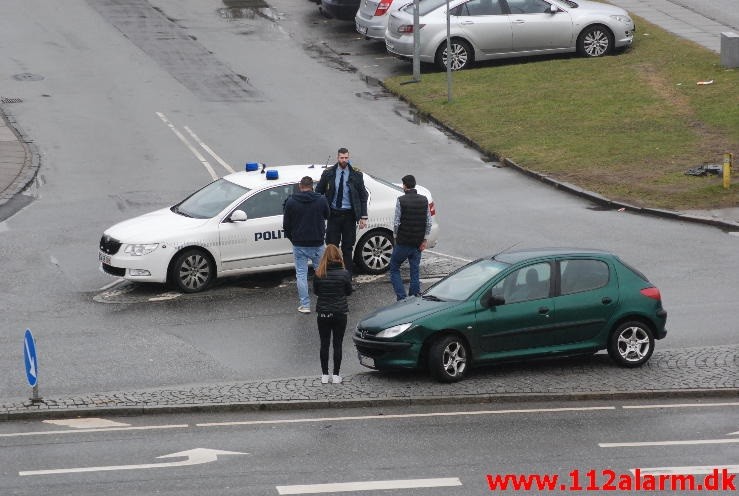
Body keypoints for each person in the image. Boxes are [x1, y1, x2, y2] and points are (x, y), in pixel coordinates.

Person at [315, 147, 369, 278]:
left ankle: (347, 278)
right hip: (333, 214)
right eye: (341, 158)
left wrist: (363, 216)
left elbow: (363, 195)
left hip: (349, 216)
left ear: (348, 158)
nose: (344, 160)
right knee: (332, 246)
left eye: (346, 158)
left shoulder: (356, 174)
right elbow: (318, 192)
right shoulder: (329, 173)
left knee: (347, 247)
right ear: (337, 158)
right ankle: (331, 276)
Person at [283, 176, 330, 313]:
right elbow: (327, 215)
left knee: (301, 275)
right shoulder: (321, 199)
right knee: (321, 272)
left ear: (300, 186)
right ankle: (324, 301)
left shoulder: (291, 201)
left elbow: (286, 225)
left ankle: (305, 305)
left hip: (299, 244)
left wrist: (293, 239)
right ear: (312, 186)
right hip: (318, 242)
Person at [312, 244, 352, 384]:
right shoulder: (345, 273)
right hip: (340, 312)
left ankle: (324, 375)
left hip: (323, 313)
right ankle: (336, 375)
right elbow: (348, 292)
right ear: (338, 256)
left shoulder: (319, 273)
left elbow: (316, 292)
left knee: (324, 343)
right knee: (338, 344)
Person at [389, 174, 432, 301]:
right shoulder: (424, 200)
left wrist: (395, 237)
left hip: (403, 242)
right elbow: (428, 222)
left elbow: (396, 222)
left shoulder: (401, 200)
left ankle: (401, 298)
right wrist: (424, 240)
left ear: (405, 186)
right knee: (414, 271)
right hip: (417, 243)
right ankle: (413, 297)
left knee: (394, 267)